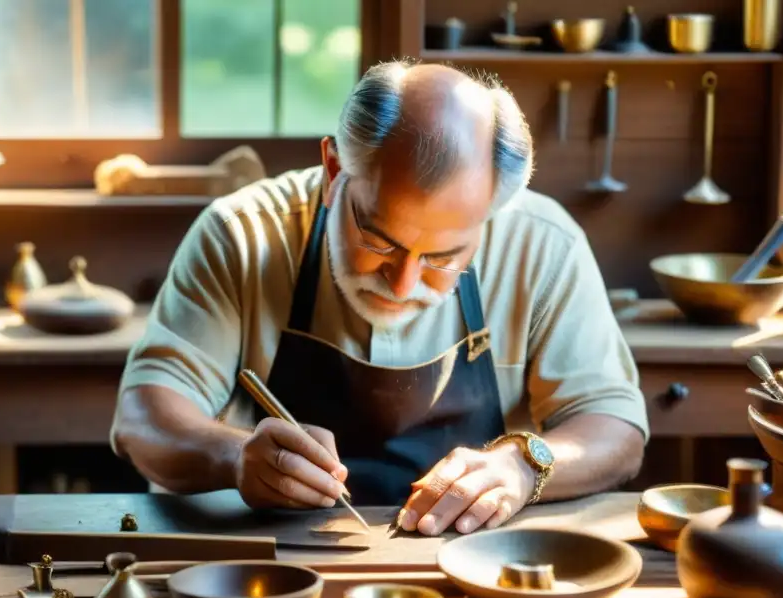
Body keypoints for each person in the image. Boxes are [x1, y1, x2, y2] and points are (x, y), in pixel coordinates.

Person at [110, 61, 648, 537]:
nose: (403, 282)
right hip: (267, 569)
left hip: (470, 568)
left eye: (443, 256)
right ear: (334, 170)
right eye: (379, 240)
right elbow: (144, 417)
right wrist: (232, 457)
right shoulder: (243, 235)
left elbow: (614, 427)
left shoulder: (543, 243)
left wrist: (525, 464)